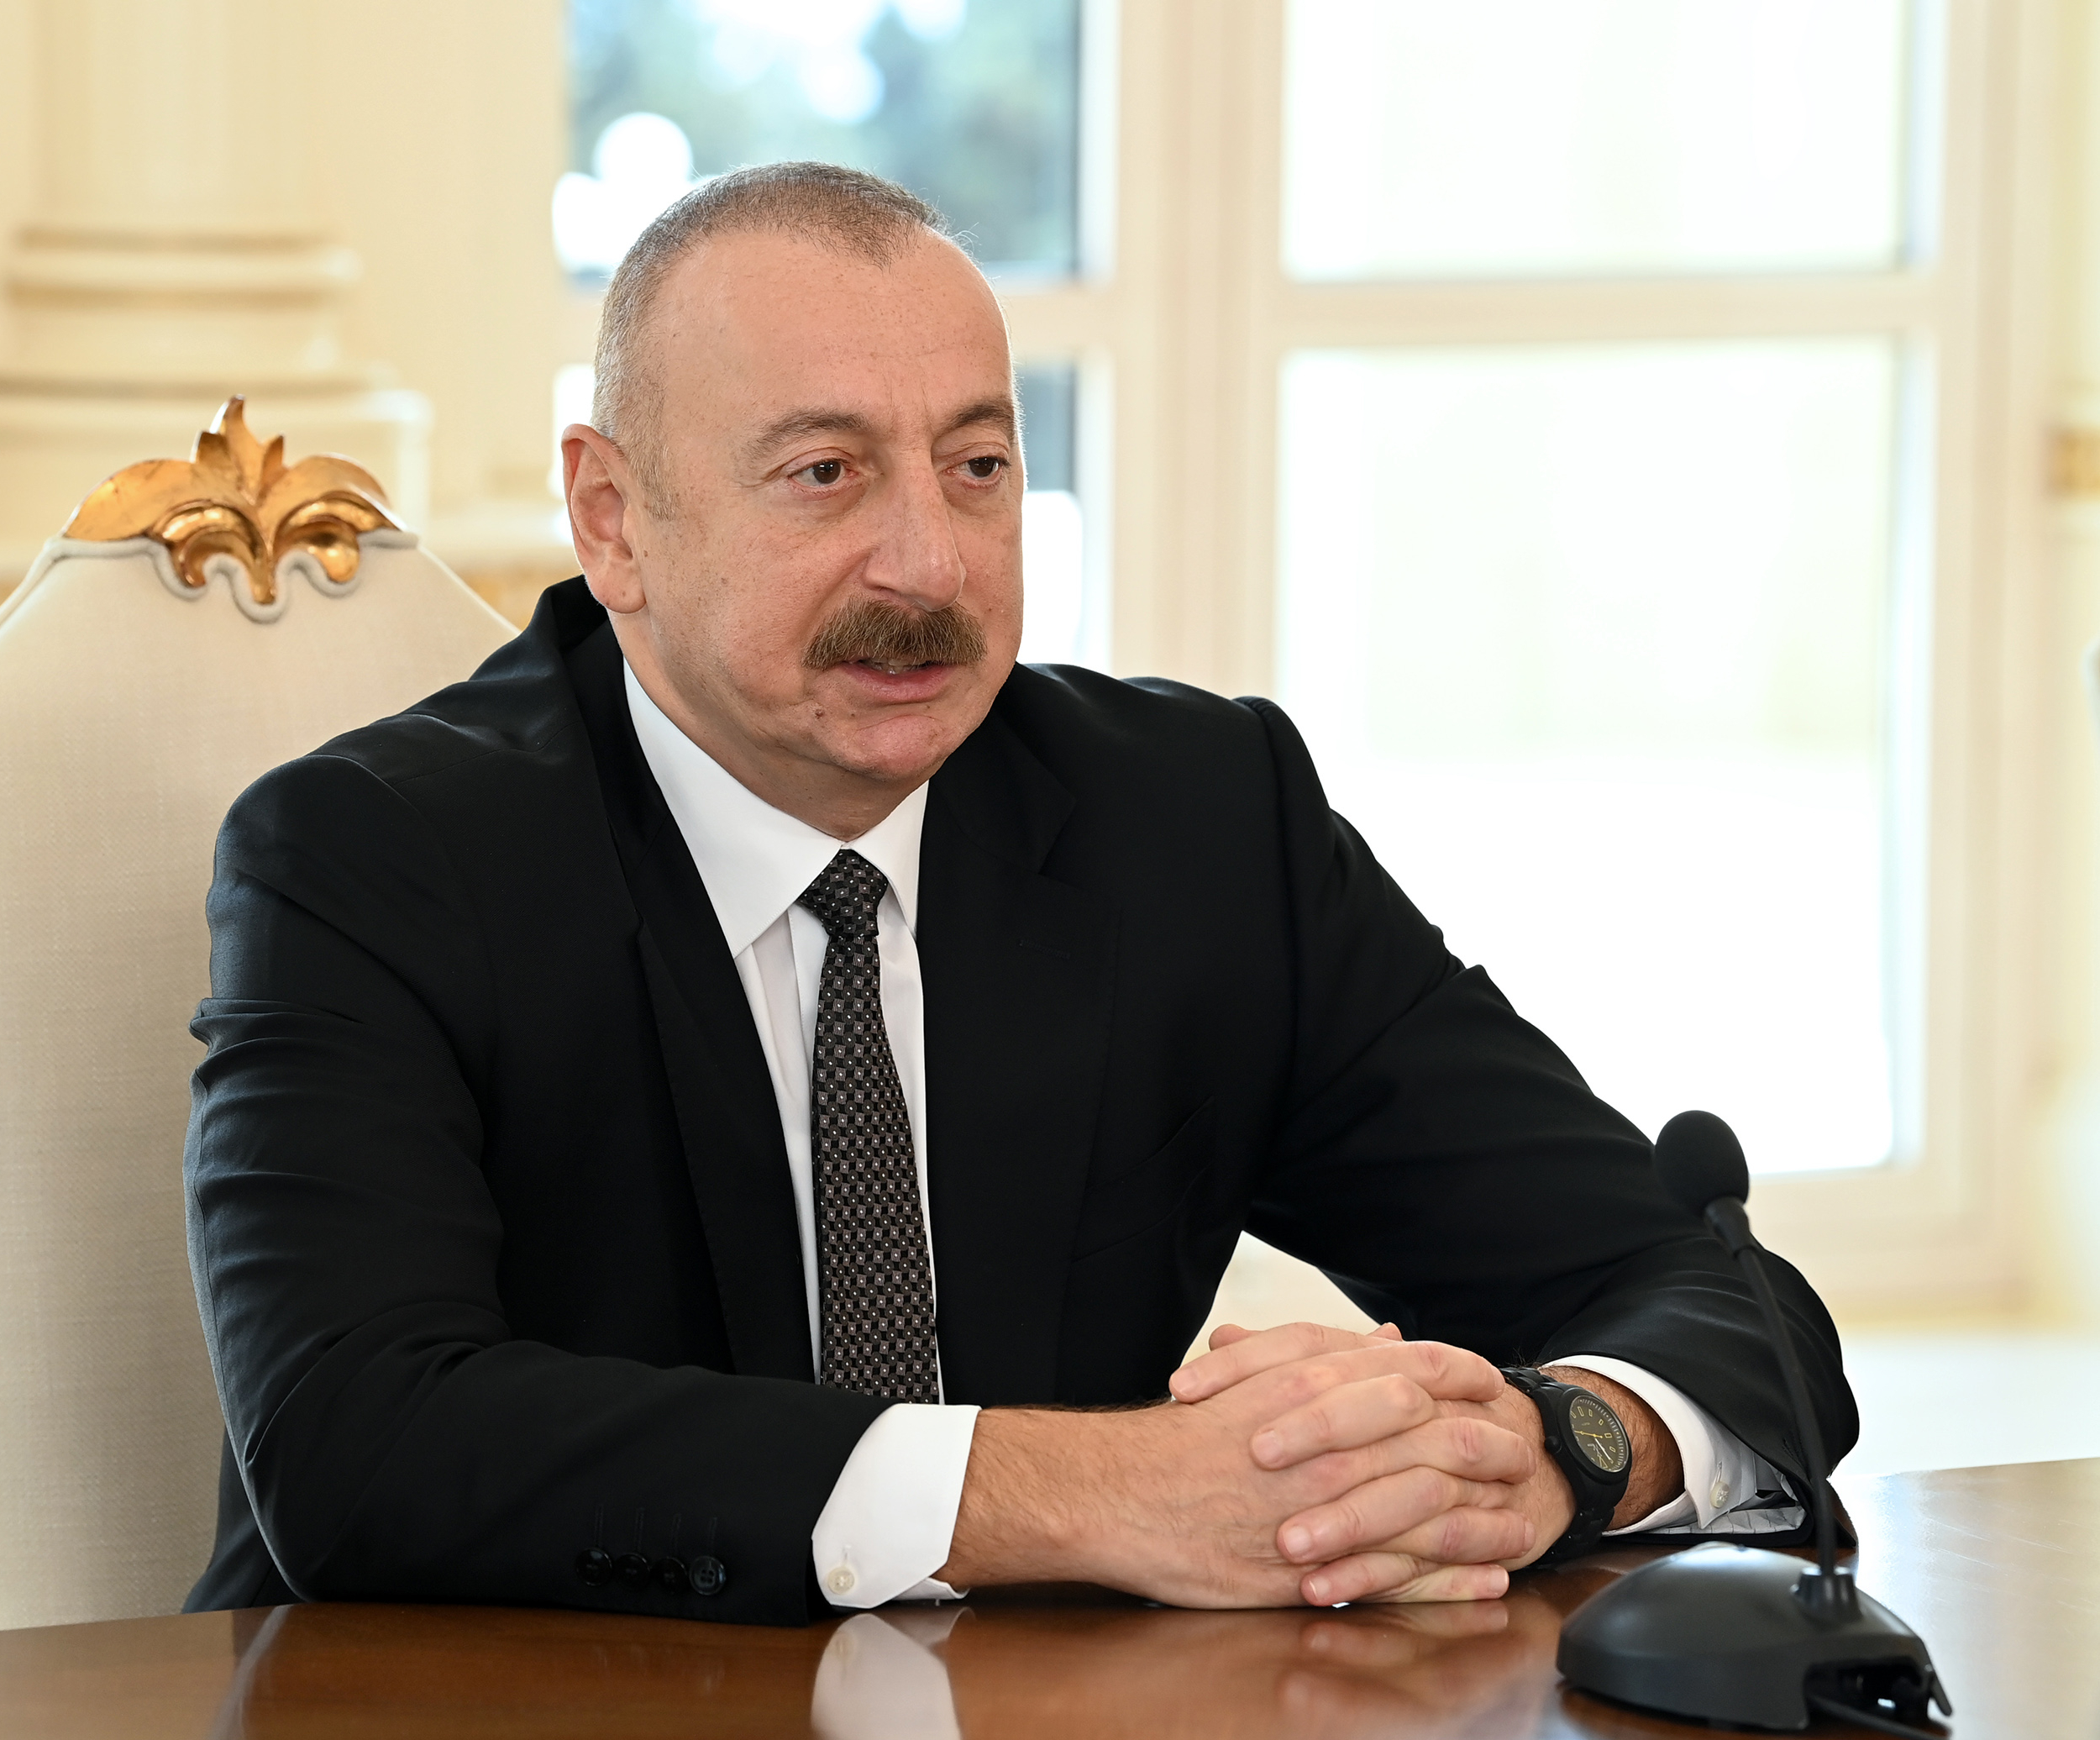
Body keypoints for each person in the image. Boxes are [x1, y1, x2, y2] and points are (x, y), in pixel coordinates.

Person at [181, 162, 1851, 1627]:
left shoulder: (1196, 821)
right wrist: (1099, 1490)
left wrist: (1548, 1450)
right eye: (825, 473)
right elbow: (359, 1441)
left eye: (976, 464)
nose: (929, 564)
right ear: (613, 520)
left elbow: (1713, 1298)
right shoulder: (372, 859)